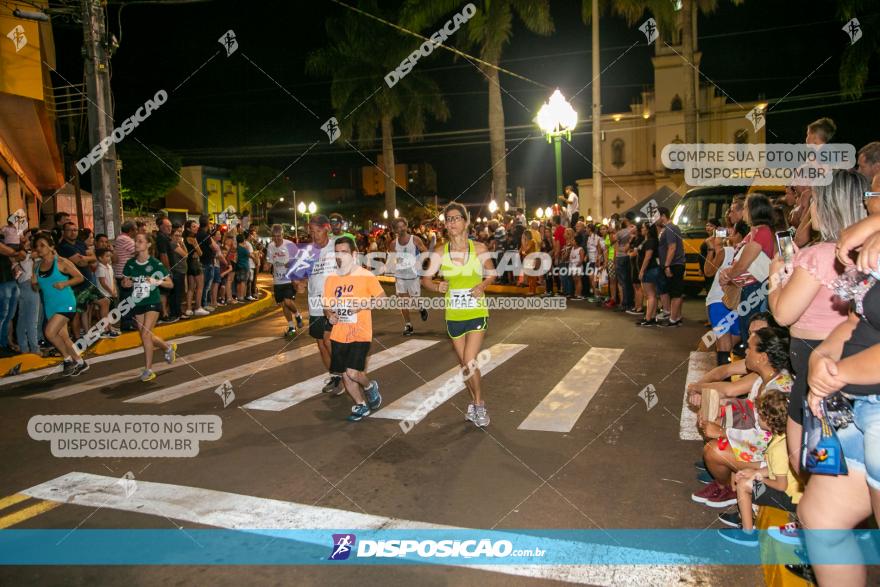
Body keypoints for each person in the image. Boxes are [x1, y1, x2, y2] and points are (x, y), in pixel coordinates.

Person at [769, 170, 866, 473]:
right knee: (851, 463)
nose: (809, 209)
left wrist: (776, 277)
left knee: (808, 466)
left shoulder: (819, 255)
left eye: (814, 202)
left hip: (815, 368)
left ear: (827, 206)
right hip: (856, 364)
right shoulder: (866, 253)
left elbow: (784, 314)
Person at [693, 327, 792, 509]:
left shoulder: (777, 390)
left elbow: (769, 438)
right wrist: (719, 410)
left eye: (750, 348)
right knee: (713, 416)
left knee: (713, 450)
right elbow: (747, 408)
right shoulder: (766, 377)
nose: (745, 351)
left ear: (762, 357)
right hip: (760, 445)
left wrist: (722, 432)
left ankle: (728, 489)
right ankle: (728, 481)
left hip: (771, 458)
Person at [422, 203, 495, 427]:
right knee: (465, 365)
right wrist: (437, 287)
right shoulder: (440, 252)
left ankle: (480, 405)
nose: (451, 223)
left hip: (476, 311)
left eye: (455, 218)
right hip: (453, 314)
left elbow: (492, 274)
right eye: (448, 219)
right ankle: (474, 403)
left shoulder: (480, 249)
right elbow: (425, 279)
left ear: (466, 221)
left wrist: (482, 285)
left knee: (470, 360)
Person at [717, 390, 802, 546]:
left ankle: (748, 532)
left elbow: (781, 485)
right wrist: (755, 472)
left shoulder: (778, 449)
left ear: (768, 421)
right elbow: (776, 469)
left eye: (760, 416)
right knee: (746, 477)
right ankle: (746, 515)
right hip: (793, 492)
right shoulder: (784, 437)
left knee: (744, 485)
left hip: (789, 499)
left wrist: (757, 477)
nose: (757, 417)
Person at [324, 236, 386, 421]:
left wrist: (360, 306)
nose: (339, 256)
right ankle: (360, 405)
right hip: (339, 334)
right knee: (345, 375)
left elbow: (382, 299)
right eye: (337, 252)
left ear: (354, 254)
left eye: (344, 252)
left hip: (360, 333)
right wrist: (330, 315)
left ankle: (369, 386)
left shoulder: (366, 276)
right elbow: (327, 305)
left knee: (353, 372)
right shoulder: (331, 279)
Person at [122, 233, 177, 381]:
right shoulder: (130, 264)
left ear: (148, 245)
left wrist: (156, 281)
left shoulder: (155, 264)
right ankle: (167, 347)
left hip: (152, 301)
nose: (136, 243)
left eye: (140, 241)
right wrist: (126, 284)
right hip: (138, 302)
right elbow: (125, 282)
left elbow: (170, 284)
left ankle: (148, 370)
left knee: (146, 334)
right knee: (145, 335)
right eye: (136, 241)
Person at [719, 193, 775, 337]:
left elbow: (743, 264)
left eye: (745, 208)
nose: (743, 211)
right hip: (749, 286)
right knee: (747, 326)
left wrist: (728, 275)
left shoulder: (762, 232)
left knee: (751, 329)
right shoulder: (755, 231)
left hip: (755, 288)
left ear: (754, 210)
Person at [32, 233, 87, 375]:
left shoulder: (61, 262)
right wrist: (34, 283)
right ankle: (80, 363)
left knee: (49, 332)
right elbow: (37, 288)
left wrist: (65, 283)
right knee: (64, 337)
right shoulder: (37, 266)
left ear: (51, 247)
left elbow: (79, 277)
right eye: (37, 246)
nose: (39, 248)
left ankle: (67, 359)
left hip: (66, 303)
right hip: (51, 306)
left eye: (43, 245)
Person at [304, 215, 345, 395]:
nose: (315, 235)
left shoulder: (336, 246)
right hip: (314, 300)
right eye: (312, 232)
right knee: (320, 343)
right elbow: (303, 275)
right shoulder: (307, 250)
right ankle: (336, 378)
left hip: (333, 300)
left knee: (330, 341)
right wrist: (299, 282)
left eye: (318, 231)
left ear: (326, 229)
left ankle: (345, 376)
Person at [702, 220, 750, 363]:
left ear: (739, 235)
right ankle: (724, 377)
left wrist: (712, 248)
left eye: (732, 232)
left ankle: (724, 376)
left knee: (725, 345)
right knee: (727, 343)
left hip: (727, 302)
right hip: (732, 303)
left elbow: (708, 271)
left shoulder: (727, 251)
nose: (728, 235)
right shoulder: (752, 253)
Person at [389, 217, 428, 335]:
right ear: (395, 230)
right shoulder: (393, 244)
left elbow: (425, 252)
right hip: (400, 276)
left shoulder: (415, 240)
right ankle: (408, 325)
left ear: (406, 226)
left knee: (415, 300)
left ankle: (421, 308)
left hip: (413, 275)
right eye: (398, 227)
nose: (401, 229)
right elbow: (392, 260)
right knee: (403, 302)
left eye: (403, 226)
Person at [267, 224, 304, 337]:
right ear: (272, 236)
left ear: (283, 234)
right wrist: (267, 265)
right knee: (284, 305)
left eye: (279, 236)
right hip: (277, 280)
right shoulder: (271, 246)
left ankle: (297, 315)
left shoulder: (289, 245)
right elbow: (269, 261)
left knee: (288, 301)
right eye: (275, 236)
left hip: (289, 279)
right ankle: (291, 327)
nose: (277, 238)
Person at [656, 208, 685, 326]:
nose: (654, 219)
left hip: (674, 264)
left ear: (663, 216)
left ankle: (673, 320)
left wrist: (667, 265)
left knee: (675, 293)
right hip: (673, 264)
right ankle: (676, 317)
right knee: (674, 291)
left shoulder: (670, 228)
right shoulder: (668, 228)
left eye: (655, 216)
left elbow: (672, 247)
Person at [15, 233, 40, 355]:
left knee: (23, 319)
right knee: (31, 320)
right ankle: (34, 349)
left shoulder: (25, 254)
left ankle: (25, 348)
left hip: (24, 286)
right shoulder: (25, 254)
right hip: (29, 285)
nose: (29, 240)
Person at [112, 221, 137, 331]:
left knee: (129, 299)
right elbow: (138, 250)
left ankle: (129, 322)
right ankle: (127, 323)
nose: (136, 232)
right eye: (135, 230)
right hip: (124, 275)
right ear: (131, 230)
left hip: (124, 273)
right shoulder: (125, 239)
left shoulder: (122, 238)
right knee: (127, 300)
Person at [636, 222, 662, 326]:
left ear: (648, 230)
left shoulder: (651, 241)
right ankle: (652, 316)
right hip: (650, 269)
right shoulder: (646, 241)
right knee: (652, 295)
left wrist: (642, 270)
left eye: (643, 228)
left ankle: (648, 318)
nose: (641, 229)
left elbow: (648, 257)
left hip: (650, 269)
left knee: (650, 295)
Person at [183, 220, 208, 316]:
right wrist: (197, 252)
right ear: (188, 228)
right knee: (200, 287)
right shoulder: (193, 239)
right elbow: (200, 252)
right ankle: (198, 307)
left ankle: (188, 309)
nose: (196, 227)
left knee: (190, 288)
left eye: (196, 225)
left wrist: (196, 253)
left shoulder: (184, 239)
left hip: (188, 265)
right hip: (196, 265)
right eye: (193, 226)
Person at [94, 248, 119, 338]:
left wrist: (114, 289)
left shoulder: (109, 266)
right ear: (100, 258)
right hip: (103, 294)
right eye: (107, 256)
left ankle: (109, 326)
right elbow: (102, 282)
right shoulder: (100, 268)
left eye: (110, 256)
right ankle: (105, 329)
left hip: (110, 293)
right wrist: (111, 291)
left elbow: (112, 279)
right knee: (104, 312)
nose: (109, 258)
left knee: (108, 312)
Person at [614, 218, 634, 312]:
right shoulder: (631, 231)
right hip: (629, 256)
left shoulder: (619, 233)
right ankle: (630, 302)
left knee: (622, 282)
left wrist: (621, 250)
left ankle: (625, 303)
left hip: (620, 257)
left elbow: (616, 246)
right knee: (629, 280)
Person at [520, 230, 538, 296]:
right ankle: (531, 291)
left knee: (532, 277)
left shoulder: (532, 241)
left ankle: (533, 291)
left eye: (524, 235)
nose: (523, 236)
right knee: (530, 277)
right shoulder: (525, 242)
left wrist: (523, 252)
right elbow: (521, 251)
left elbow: (526, 250)